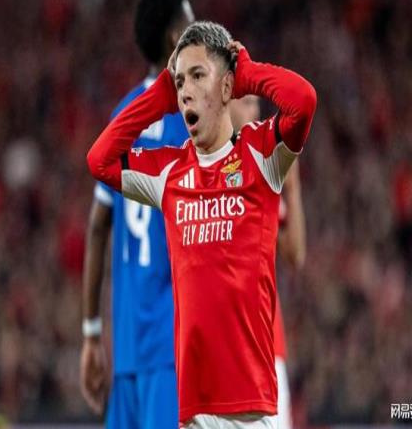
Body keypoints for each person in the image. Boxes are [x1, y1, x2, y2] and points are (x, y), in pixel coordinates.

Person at [87, 21, 317, 428]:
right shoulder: (169, 173)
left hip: (253, 410)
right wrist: (158, 96)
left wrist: (247, 73)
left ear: (227, 88)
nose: (186, 91)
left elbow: (303, 100)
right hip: (193, 412)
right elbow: (99, 160)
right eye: (180, 82)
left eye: (197, 76)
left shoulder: (260, 156)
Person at [79, 0, 194, 428]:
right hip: (171, 347)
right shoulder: (192, 119)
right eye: (192, 23)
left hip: (126, 349)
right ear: (175, 38)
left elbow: (97, 227)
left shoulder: (123, 114)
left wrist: (92, 333)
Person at [230, 96, 307, 429]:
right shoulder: (205, 168)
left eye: (256, 105)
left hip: (266, 347)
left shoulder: (264, 169)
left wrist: (293, 186)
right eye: (247, 103)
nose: (255, 112)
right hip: (223, 350)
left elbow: (295, 254)